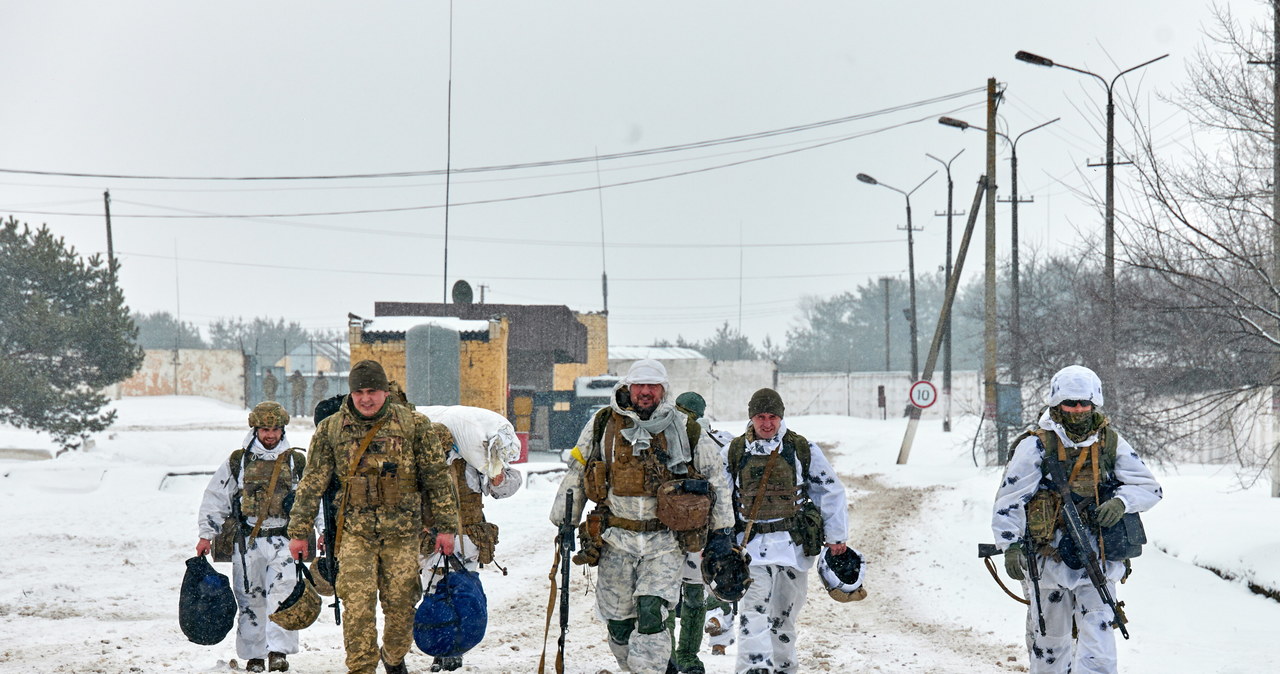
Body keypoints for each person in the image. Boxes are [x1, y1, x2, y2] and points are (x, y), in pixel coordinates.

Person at [550, 359, 735, 674]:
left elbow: (715, 477)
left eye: (653, 386)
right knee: (619, 623)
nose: (646, 392)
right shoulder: (602, 424)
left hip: (664, 541)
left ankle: (650, 669)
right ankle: (647, 667)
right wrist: (564, 523)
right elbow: (577, 472)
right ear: (628, 387)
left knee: (652, 612)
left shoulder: (686, 428)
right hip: (615, 540)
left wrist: (722, 534)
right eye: (640, 386)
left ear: (663, 390)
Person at [287, 359, 461, 674]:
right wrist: (299, 532)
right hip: (354, 534)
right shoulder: (332, 429)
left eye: (373, 391)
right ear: (351, 393)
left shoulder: (414, 425)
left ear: (384, 391)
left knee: (401, 611)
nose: (366, 398)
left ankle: (393, 658)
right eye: (359, 392)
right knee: (357, 609)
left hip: (403, 535)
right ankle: (362, 668)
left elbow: (437, 479)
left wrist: (446, 528)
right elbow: (311, 484)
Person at [992, 365, 1162, 674]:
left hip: (1096, 560)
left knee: (1099, 649)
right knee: (1051, 649)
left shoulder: (1109, 442)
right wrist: (1011, 545)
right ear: (1057, 404)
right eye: (1070, 403)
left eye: (1084, 403)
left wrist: (1121, 503)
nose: (1078, 410)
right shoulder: (1037, 445)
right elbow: (1009, 500)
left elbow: (1150, 488)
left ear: (1094, 402)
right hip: (1048, 563)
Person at [726, 388, 850, 674]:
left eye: (773, 417)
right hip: (749, 551)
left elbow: (829, 489)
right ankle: (753, 669)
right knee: (753, 614)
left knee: (784, 618)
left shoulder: (800, 448)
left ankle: (784, 668)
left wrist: (836, 536)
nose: (767, 423)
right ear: (751, 418)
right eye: (760, 417)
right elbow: (721, 495)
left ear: (781, 417)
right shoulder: (733, 452)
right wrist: (719, 539)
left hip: (792, 549)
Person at [195, 401, 314, 673]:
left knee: (283, 596)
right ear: (255, 429)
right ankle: (254, 655)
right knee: (250, 597)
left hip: (285, 539)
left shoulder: (296, 461)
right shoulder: (239, 461)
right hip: (249, 542)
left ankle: (278, 652)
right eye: (264, 429)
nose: (270, 435)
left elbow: (312, 500)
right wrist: (206, 534)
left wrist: (321, 532)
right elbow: (217, 497)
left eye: (275, 429)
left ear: (282, 430)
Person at [420, 416, 523, 672]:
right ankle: (441, 645)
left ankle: (455, 648)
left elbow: (506, 486)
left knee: (461, 595)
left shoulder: (472, 462)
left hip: (467, 541)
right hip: (430, 542)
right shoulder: (421, 468)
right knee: (433, 593)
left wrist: (498, 476)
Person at [665, 391, 735, 674]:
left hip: (674, 528)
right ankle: (685, 655)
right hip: (696, 531)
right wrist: (724, 530)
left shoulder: (663, 431)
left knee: (668, 598)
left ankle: (671, 655)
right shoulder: (709, 440)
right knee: (692, 597)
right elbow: (721, 485)